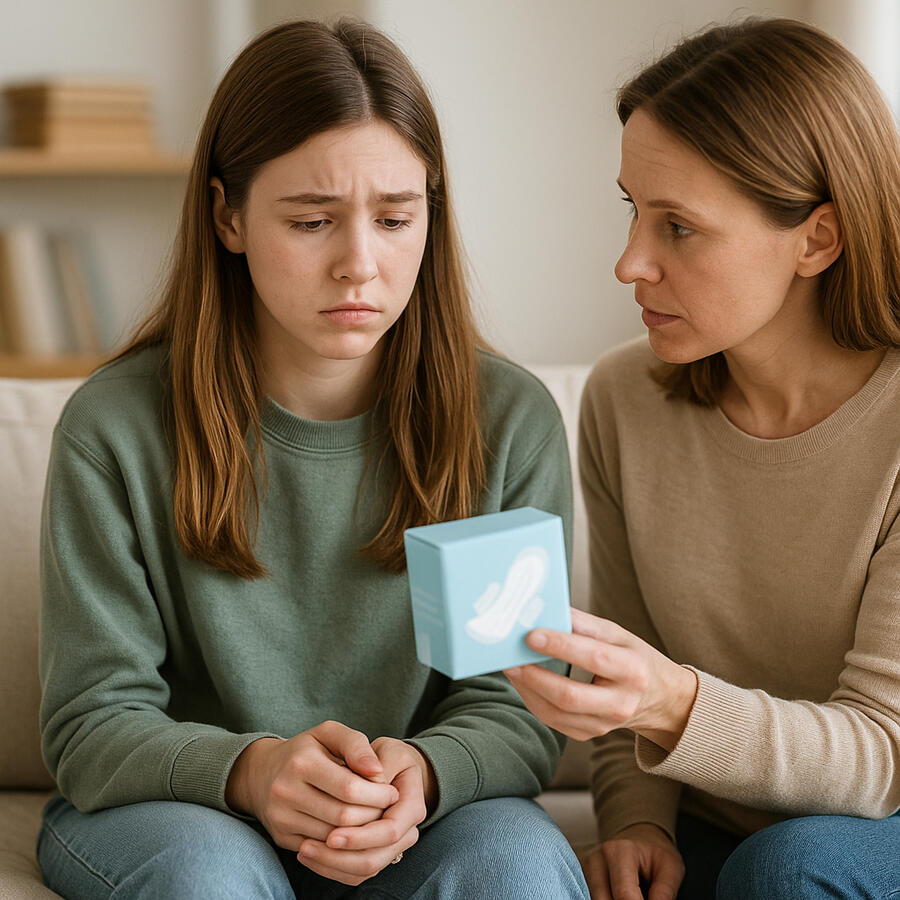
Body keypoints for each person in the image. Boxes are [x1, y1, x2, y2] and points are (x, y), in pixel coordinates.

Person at [36, 19, 589, 899]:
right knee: (207, 875)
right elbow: (93, 721)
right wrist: (252, 771)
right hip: (185, 815)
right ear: (228, 216)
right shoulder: (114, 428)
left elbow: (512, 704)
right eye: (311, 221)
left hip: (418, 818)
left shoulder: (505, 421)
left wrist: (424, 774)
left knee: (513, 868)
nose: (358, 265)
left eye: (395, 218)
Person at [503, 16, 900, 900]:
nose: (629, 264)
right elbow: (624, 655)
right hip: (722, 837)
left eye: (678, 227)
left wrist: (670, 701)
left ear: (817, 239)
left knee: (789, 870)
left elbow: (883, 755)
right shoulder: (624, 400)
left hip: (874, 829)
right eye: (633, 210)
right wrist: (635, 823)